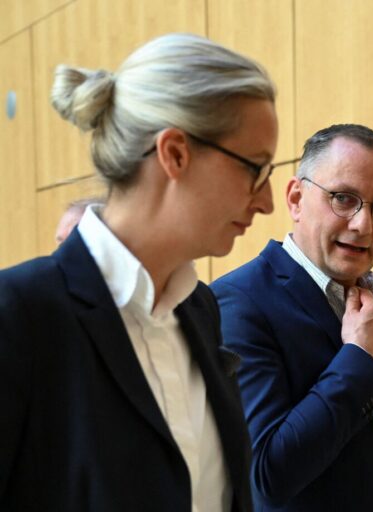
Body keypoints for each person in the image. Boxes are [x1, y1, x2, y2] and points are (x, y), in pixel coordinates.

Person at [0, 33, 278, 511]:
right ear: (174, 153)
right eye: (255, 168)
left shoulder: (200, 309)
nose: (267, 200)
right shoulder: (18, 315)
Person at [211, 124, 373, 512]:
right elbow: (265, 479)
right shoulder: (238, 305)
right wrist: (360, 359)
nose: (363, 224)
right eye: (344, 199)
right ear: (296, 198)